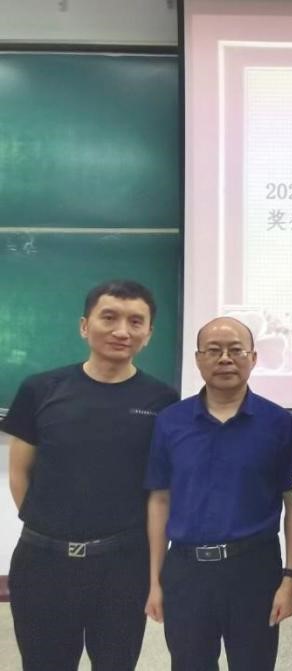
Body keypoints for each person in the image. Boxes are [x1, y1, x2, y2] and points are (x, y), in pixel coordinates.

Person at [2, 279, 179, 671]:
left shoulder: (163, 401)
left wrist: (154, 573)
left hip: (122, 565)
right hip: (43, 562)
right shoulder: (40, 389)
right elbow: (19, 472)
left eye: (136, 322)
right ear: (85, 326)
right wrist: (48, 527)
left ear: (149, 334)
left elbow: (160, 492)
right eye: (109, 317)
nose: (122, 331)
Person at [144, 316, 292, 671]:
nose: (225, 359)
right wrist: (155, 580)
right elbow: (160, 500)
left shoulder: (278, 422)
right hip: (186, 570)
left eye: (236, 350)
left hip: (255, 569)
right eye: (214, 350)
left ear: (253, 358)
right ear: (198, 359)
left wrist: (289, 578)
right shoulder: (170, 421)